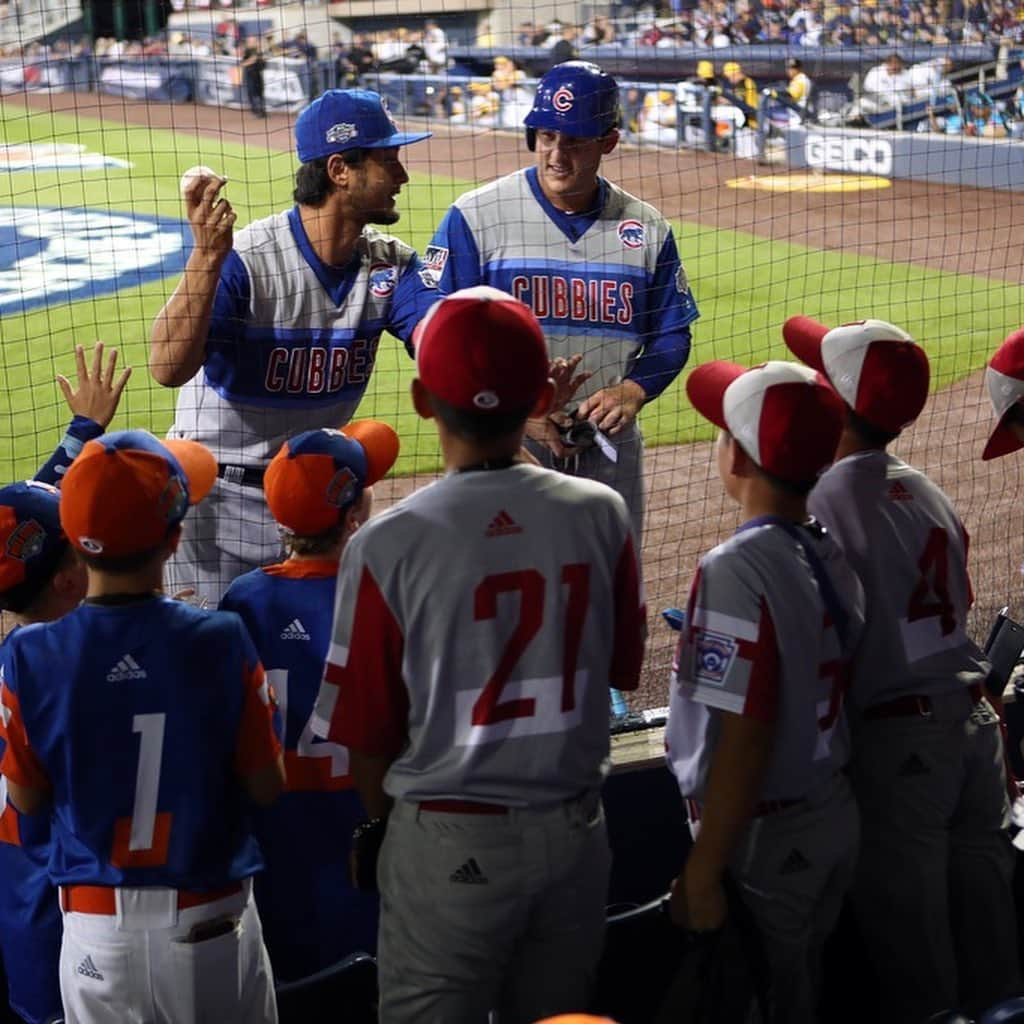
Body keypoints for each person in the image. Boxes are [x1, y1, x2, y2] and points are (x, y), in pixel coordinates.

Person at [311, 287, 647, 1024]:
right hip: (575, 834)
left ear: (423, 400)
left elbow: (367, 735)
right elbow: (623, 670)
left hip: (449, 841)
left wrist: (386, 828)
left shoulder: (385, 544)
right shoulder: (602, 513)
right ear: (535, 398)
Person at [0, 430, 285, 1024]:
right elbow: (266, 787)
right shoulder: (220, 638)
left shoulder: (29, 655)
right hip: (210, 923)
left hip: (97, 933)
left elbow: (27, 798)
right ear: (174, 538)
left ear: (77, 544)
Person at [784, 316, 1021, 1022]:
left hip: (902, 747)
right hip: (975, 730)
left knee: (914, 955)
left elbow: (821, 639)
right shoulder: (927, 489)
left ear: (835, 397)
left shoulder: (825, 497)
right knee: (992, 939)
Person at [148, 89, 434, 606]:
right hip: (218, 503)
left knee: (312, 667)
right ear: (339, 170)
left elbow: (441, 338)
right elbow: (166, 367)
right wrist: (206, 260)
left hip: (318, 505)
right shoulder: (249, 260)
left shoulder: (391, 266)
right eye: (388, 161)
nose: (403, 177)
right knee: (216, 673)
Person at [665, 358, 865, 1024]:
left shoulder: (733, 569)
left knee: (766, 1003)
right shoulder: (827, 548)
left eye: (722, 434)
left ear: (741, 460)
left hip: (768, 836)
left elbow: (744, 737)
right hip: (830, 809)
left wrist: (702, 869)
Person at [423, 61, 699, 538]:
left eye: (574, 140)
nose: (556, 154)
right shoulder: (476, 215)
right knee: (505, 587)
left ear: (608, 141)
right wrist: (511, 414)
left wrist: (632, 391)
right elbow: (436, 332)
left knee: (610, 584)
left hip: (608, 441)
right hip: (505, 445)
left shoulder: (646, 226)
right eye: (546, 136)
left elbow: (672, 333)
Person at [218, 420, 399, 985]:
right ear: (353, 514)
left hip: (280, 841)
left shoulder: (243, 600)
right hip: (372, 832)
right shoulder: (388, 593)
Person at [240, 35, 266, 118]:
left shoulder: (260, 52)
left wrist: (261, 59)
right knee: (252, 93)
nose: (253, 43)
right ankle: (256, 111)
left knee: (260, 93)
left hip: (258, 75)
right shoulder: (247, 51)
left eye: (255, 41)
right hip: (249, 75)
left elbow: (263, 64)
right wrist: (252, 60)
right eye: (251, 41)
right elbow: (242, 63)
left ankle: (262, 111)